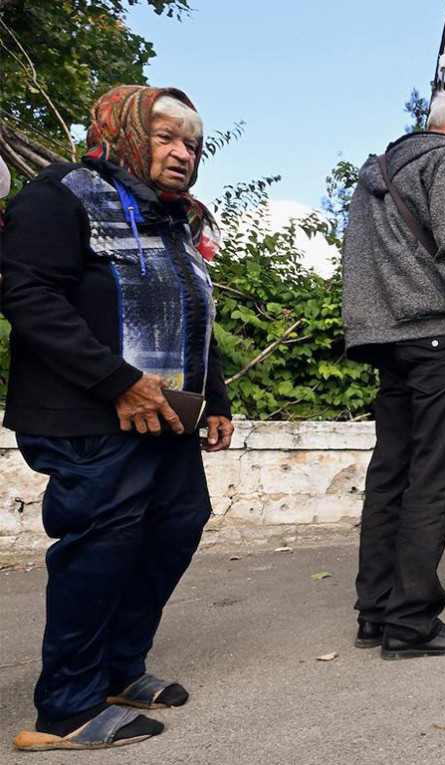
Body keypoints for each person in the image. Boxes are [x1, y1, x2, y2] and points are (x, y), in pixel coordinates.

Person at [1, 85, 232, 750]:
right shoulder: (63, 193)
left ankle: (119, 669)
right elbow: (29, 294)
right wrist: (118, 381)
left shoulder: (176, 219)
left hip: (166, 417)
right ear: (125, 130)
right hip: (88, 411)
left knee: (176, 526)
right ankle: (67, 708)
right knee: (100, 546)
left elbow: (194, 314)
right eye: (166, 137)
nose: (182, 153)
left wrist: (215, 399)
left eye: (191, 143)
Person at [342, 91, 445, 660]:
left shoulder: (377, 175)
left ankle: (376, 614)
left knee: (391, 476)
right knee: (436, 478)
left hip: (387, 339)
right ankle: (411, 623)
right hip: (437, 338)